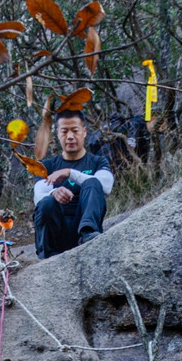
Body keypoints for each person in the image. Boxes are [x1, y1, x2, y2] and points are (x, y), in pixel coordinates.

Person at [33, 109, 113, 259]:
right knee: (46, 202)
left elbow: (106, 186)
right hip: (55, 234)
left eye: (75, 131)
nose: (70, 137)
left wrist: (70, 172)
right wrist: (53, 193)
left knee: (93, 182)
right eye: (64, 132)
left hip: (82, 231)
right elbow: (38, 195)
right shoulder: (48, 165)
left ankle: (88, 234)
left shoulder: (97, 161)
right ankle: (48, 255)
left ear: (84, 131)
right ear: (57, 133)